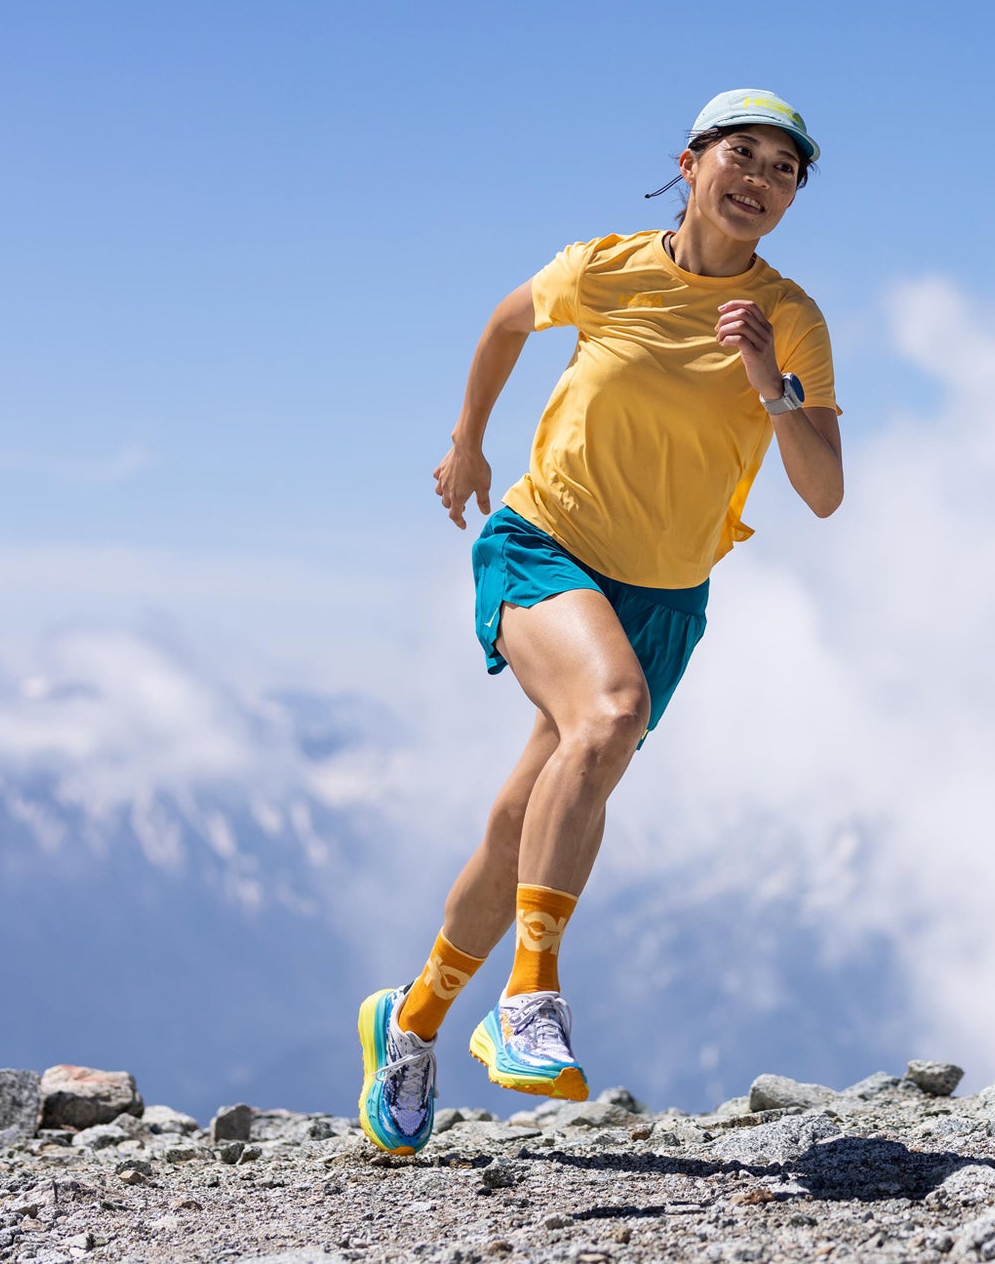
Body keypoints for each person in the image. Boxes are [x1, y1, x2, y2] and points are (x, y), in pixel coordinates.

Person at [355, 89, 843, 1155]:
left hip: (664, 596)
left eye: (785, 169)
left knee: (528, 806)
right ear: (691, 162)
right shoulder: (606, 268)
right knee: (608, 712)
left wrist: (769, 379)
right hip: (547, 545)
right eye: (741, 154)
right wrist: (467, 443)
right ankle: (531, 995)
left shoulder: (792, 317)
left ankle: (413, 1019)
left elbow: (822, 489)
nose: (761, 177)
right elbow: (504, 321)